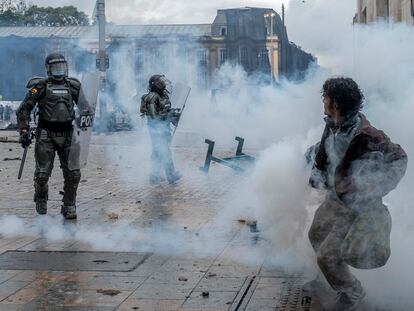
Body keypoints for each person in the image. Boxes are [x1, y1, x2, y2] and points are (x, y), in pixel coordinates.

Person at [307, 77, 407, 310]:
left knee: (327, 255)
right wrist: (314, 165)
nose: (323, 100)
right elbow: (325, 149)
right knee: (315, 235)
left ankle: (353, 293)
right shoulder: (332, 123)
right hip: (334, 197)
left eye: (326, 97)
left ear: (336, 104)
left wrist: (374, 187)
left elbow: (399, 159)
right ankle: (328, 279)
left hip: (354, 205)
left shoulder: (368, 134)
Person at [16, 53, 84, 220]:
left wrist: (85, 122)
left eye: (62, 66)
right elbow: (24, 109)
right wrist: (24, 130)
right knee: (42, 175)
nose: (60, 70)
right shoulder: (39, 86)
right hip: (46, 133)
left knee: (73, 173)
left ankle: (69, 205)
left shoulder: (73, 86)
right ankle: (41, 196)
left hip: (68, 133)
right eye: (56, 67)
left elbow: (86, 107)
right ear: (48, 68)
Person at [140, 74, 182, 184]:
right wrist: (168, 116)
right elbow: (154, 117)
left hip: (164, 129)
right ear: (156, 84)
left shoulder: (163, 95)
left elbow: (164, 111)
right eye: (161, 82)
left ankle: (154, 176)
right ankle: (171, 175)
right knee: (164, 151)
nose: (164, 83)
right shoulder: (152, 97)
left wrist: (173, 115)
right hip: (156, 130)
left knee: (158, 152)